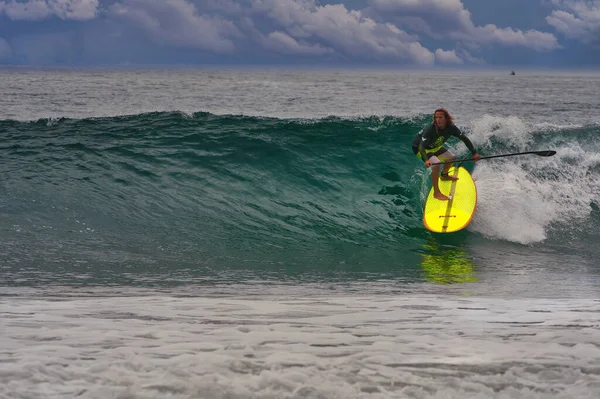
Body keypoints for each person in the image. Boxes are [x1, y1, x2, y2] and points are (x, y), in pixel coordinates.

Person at [412, 108, 481, 201]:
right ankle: (436, 193)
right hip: (420, 148)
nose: (438, 119)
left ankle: (444, 175)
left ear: (446, 118)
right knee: (436, 164)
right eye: (436, 117)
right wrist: (427, 160)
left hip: (434, 146)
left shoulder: (451, 128)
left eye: (440, 117)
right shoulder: (430, 130)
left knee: (451, 158)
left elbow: (464, 138)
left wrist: (474, 153)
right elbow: (421, 146)